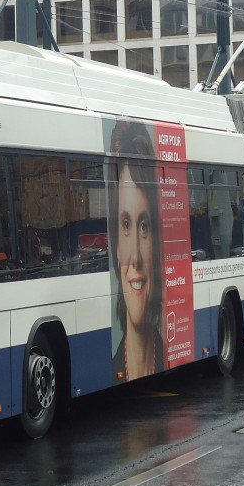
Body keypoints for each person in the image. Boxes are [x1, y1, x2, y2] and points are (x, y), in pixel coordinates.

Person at [107, 119, 164, 381]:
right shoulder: (108, 368)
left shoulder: (168, 355)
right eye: (126, 224)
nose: (136, 258)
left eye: (144, 226)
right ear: (115, 244)